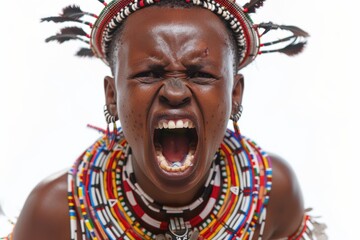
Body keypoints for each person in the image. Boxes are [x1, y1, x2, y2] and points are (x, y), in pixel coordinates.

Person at [3, 0, 327, 239]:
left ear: (235, 94)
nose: (174, 93)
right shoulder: (55, 215)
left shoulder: (273, 194)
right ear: (112, 96)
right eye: (149, 74)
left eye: (200, 74)